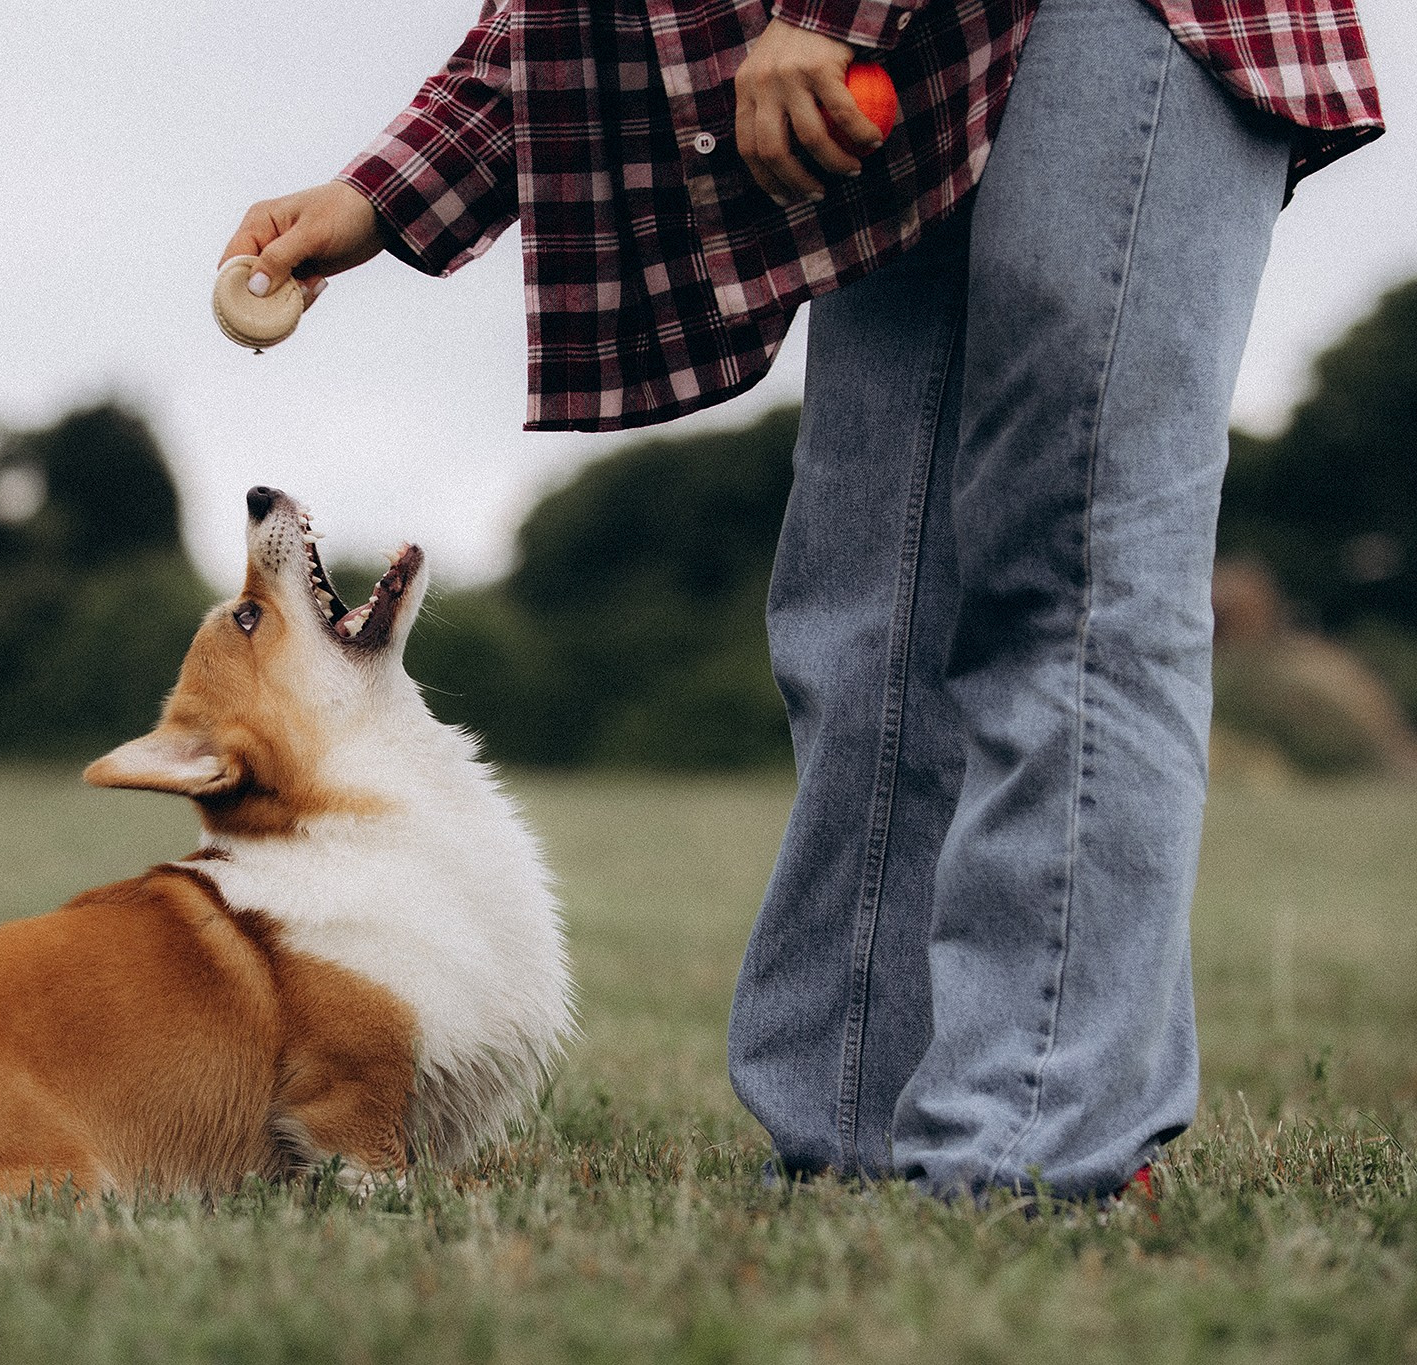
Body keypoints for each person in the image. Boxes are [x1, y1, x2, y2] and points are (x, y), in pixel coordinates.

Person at [220, 0, 1381, 1199]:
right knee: (863, 610)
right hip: (918, 53)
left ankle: (1028, 1146)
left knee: (1065, 567)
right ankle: (852, 1141)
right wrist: (390, 190)